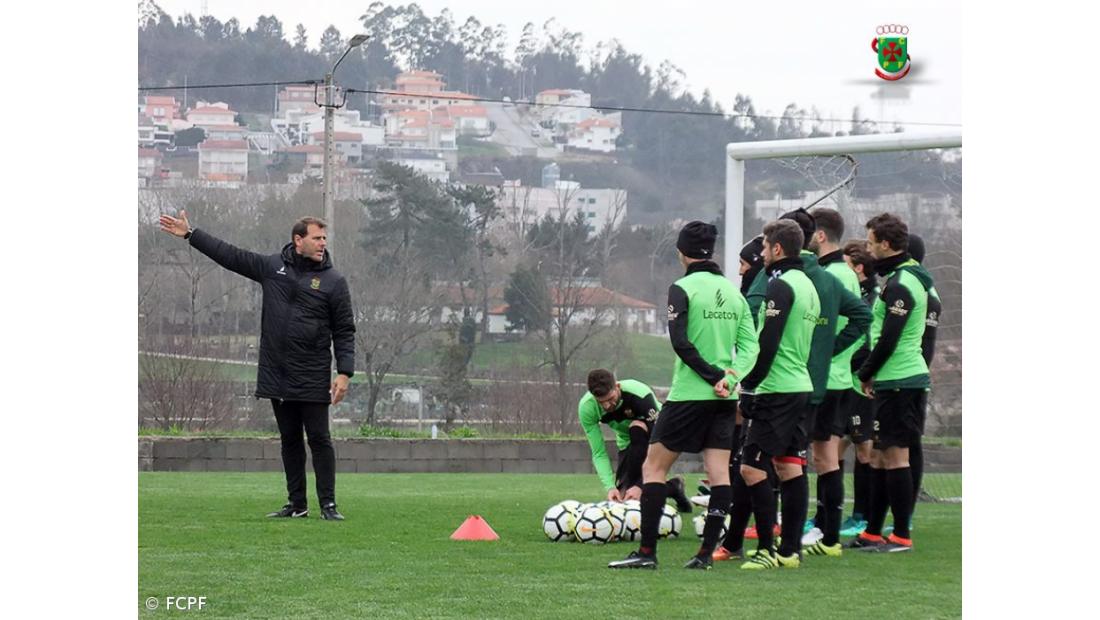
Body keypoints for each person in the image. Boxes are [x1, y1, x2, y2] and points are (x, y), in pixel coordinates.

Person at [158, 211, 356, 521]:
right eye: (316, 238)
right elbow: (231, 256)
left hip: (312, 373)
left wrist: (344, 372)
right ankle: (297, 505)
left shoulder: (333, 281)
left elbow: (344, 330)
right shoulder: (271, 268)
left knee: (319, 440)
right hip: (277, 373)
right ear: (298, 239)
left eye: (324, 238)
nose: (322, 244)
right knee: (289, 441)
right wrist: (190, 234)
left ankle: (328, 505)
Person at [609, 221, 759, 570]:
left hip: (690, 395)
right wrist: (730, 378)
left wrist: (712, 377)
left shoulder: (682, 288)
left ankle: (647, 553)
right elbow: (751, 346)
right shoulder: (735, 294)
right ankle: (706, 554)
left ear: (681, 252)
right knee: (719, 473)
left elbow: (680, 342)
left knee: (653, 467)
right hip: (724, 400)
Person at [719, 219, 820, 570]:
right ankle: (790, 551)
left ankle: (765, 549)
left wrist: (748, 386)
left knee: (750, 467)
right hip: (799, 386)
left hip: (776, 389)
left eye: (763, 246)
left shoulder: (781, 286)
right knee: (790, 467)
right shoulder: (808, 284)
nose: (761, 253)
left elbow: (768, 343)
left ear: (777, 249)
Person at [849, 213, 933, 552]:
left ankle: (901, 535)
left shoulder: (902, 284)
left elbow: (889, 340)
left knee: (896, 457)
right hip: (892, 380)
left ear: (885, 244)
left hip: (902, 380)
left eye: (870, 243)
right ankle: (872, 531)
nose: (867, 249)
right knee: (881, 457)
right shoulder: (901, 276)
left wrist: (865, 372)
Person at [801, 207, 872, 557]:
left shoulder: (833, 274)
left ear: (819, 236)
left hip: (827, 381)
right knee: (825, 456)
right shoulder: (842, 272)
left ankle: (826, 534)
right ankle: (825, 532)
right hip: (837, 379)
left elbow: (858, 323)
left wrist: (828, 352)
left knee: (823, 457)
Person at [578, 369, 693, 512]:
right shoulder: (587, 408)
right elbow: (598, 452)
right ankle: (673, 488)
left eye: (610, 399)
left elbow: (659, 444)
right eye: (601, 402)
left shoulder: (640, 395)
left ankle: (655, 488)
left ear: (617, 387)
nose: (607, 406)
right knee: (624, 498)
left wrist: (640, 485)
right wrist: (610, 487)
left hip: (660, 435)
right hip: (627, 443)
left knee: (637, 427)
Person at [837, 241, 879, 536]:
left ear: (858, 268)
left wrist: (864, 372)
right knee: (835, 445)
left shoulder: (874, 298)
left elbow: (870, 339)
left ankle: (863, 515)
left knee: (865, 449)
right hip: (845, 379)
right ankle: (833, 513)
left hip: (861, 381)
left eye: (846, 264)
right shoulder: (857, 294)